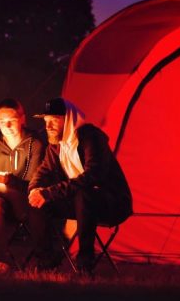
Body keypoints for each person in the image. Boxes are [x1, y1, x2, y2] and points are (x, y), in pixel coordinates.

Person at [28, 97, 133, 275]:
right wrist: (35, 190)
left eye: (54, 120)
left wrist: (50, 192)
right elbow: (42, 172)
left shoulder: (90, 137)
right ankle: (47, 258)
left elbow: (93, 176)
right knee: (37, 203)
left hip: (111, 202)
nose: (48, 126)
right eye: (46, 121)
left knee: (83, 194)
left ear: (68, 119)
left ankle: (85, 261)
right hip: (80, 204)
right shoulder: (56, 147)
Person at [0, 98, 46, 274]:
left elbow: (30, 184)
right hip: (2, 205)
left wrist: (3, 180)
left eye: (11, 121)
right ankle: (2, 260)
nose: (7, 126)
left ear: (22, 119)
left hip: (27, 203)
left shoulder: (35, 144)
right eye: (1, 122)